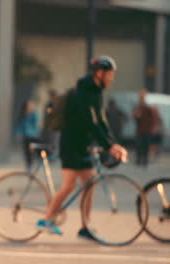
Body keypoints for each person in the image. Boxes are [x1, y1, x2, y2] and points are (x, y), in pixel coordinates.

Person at [36, 56, 128, 239]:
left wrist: (112, 143)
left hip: (83, 145)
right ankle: (45, 219)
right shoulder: (83, 92)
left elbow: (101, 120)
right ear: (99, 73)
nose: (111, 78)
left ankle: (85, 226)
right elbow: (91, 122)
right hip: (71, 145)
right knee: (69, 185)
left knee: (89, 185)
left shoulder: (96, 91)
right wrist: (108, 147)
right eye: (109, 74)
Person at [15, 99, 40, 171]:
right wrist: (18, 134)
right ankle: (29, 165)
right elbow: (19, 126)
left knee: (33, 151)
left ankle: (33, 163)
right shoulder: (22, 115)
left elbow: (36, 122)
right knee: (27, 152)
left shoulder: (34, 114)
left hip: (33, 136)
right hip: (25, 137)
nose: (30, 107)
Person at [133, 89, 154, 168]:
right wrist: (136, 115)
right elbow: (134, 117)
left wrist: (151, 128)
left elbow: (153, 119)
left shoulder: (148, 108)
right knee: (139, 145)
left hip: (146, 130)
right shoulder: (137, 107)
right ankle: (139, 160)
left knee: (145, 146)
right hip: (139, 131)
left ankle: (145, 160)